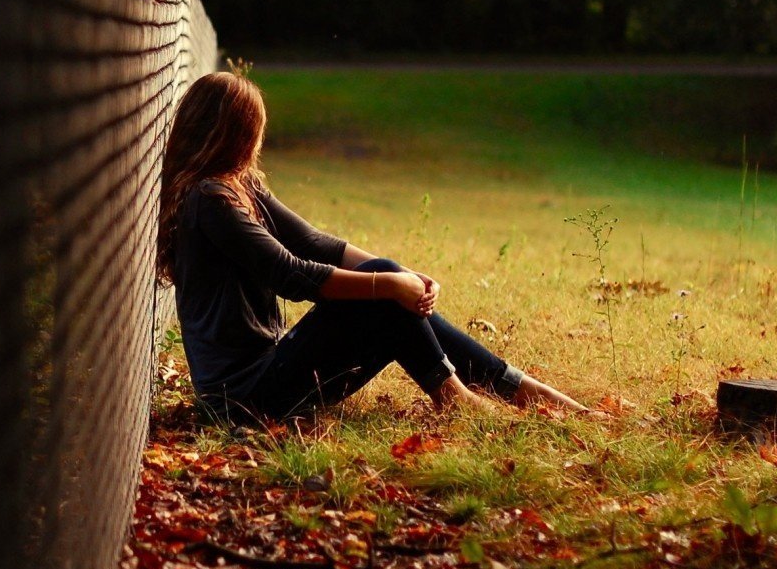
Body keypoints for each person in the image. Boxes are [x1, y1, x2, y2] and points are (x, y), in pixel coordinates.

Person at [157, 70, 598, 424]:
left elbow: (314, 243)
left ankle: (517, 389)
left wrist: (402, 277)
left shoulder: (238, 186)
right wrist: (388, 283)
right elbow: (290, 274)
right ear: (234, 136)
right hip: (240, 399)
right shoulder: (209, 200)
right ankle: (461, 397)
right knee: (381, 290)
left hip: (268, 374)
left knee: (384, 284)